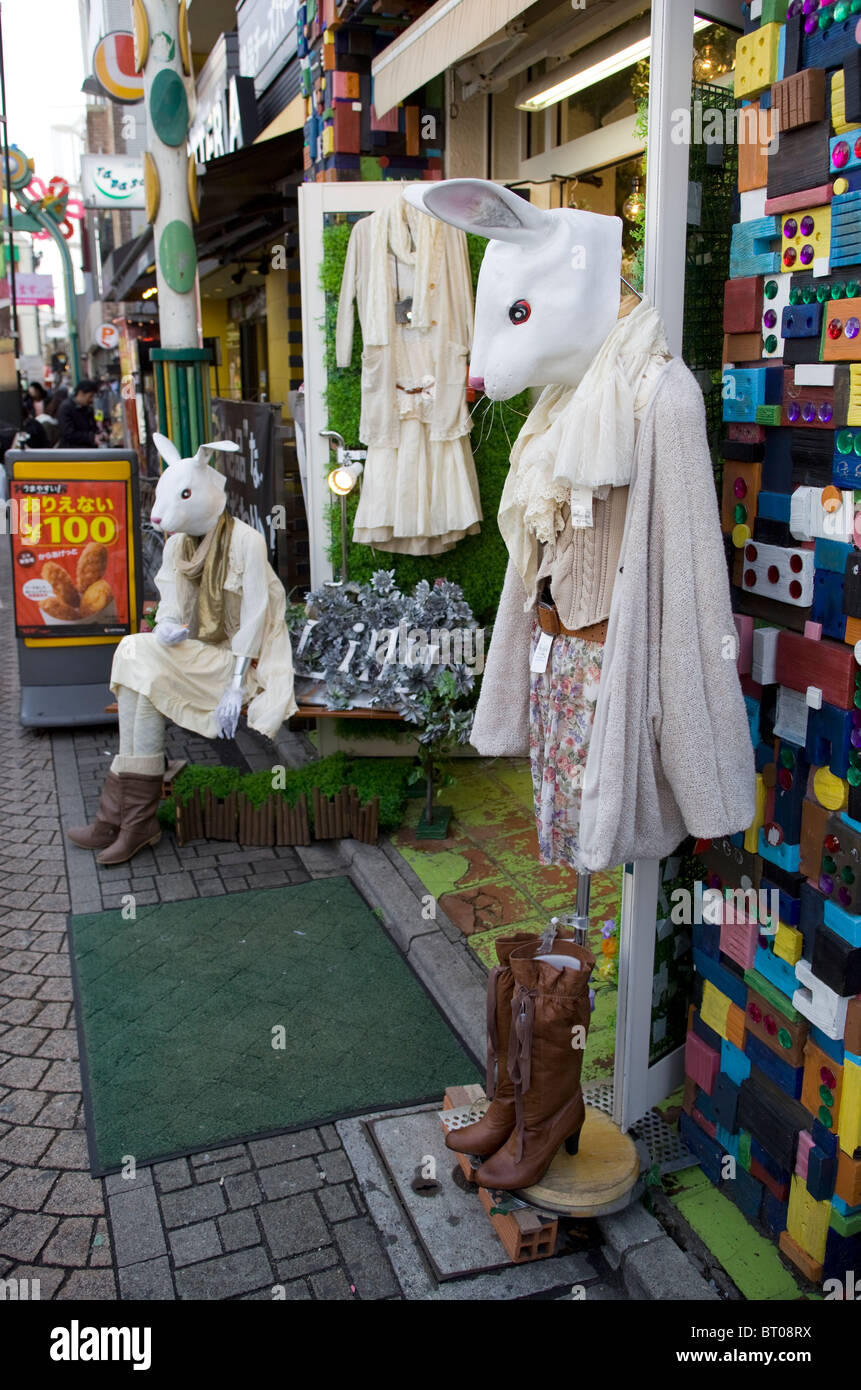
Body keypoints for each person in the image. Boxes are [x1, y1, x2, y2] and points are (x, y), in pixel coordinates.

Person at [57, 379, 99, 448]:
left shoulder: (87, 408)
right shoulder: (66, 408)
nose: (92, 400)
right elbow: (68, 433)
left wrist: (98, 433)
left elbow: (92, 427)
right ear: (80, 393)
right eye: (90, 396)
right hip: (73, 452)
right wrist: (91, 437)